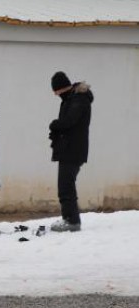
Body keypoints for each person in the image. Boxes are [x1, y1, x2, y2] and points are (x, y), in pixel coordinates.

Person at [48, 71, 93, 232]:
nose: (55, 94)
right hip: (68, 149)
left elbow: (69, 122)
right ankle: (68, 218)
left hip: (73, 150)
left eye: (56, 91)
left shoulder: (78, 100)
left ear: (62, 88)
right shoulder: (70, 99)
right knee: (65, 185)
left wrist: (55, 125)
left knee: (66, 185)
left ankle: (72, 221)